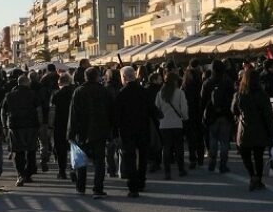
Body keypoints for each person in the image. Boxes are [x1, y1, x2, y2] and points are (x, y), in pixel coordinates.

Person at [68, 67, 112, 198]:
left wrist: (70, 133)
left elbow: (73, 114)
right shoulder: (103, 91)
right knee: (99, 161)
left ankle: (81, 187)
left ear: (85, 77)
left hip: (82, 131)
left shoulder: (79, 91)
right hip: (100, 130)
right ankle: (98, 188)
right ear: (97, 76)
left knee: (82, 159)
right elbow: (110, 111)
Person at [232, 69, 273, 191]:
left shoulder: (239, 94)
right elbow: (268, 115)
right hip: (260, 129)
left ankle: (252, 176)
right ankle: (259, 179)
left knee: (246, 156)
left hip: (244, 129)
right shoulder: (262, 95)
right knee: (258, 156)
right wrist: (271, 131)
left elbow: (234, 110)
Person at [115, 66, 152, 197]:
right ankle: (142, 181)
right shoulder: (144, 91)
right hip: (143, 128)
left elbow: (117, 116)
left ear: (123, 77)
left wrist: (115, 132)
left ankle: (133, 187)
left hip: (127, 131)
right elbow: (151, 109)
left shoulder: (121, 94)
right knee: (143, 157)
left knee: (130, 158)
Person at [2, 74, 42, 187]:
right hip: (31, 126)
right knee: (31, 150)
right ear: (26, 82)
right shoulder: (33, 94)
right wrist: (40, 124)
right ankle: (28, 174)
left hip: (15, 126)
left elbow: (3, 111)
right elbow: (38, 110)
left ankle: (20, 174)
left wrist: (4, 126)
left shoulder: (9, 95)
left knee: (17, 151)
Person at [201, 59, 235, 173]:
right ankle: (223, 164)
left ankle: (212, 162)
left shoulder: (207, 82)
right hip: (225, 115)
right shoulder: (228, 82)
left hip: (212, 115)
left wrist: (204, 113)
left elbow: (202, 100)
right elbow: (232, 98)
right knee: (224, 142)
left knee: (213, 140)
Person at [155, 72, 188, 180]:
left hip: (164, 124)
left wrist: (160, 118)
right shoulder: (180, 93)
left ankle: (167, 172)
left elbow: (157, 108)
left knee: (166, 148)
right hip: (177, 123)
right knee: (179, 147)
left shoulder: (160, 94)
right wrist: (185, 118)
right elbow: (183, 109)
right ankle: (181, 169)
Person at [49, 73, 75, 179]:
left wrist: (50, 126)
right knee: (73, 148)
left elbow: (52, 112)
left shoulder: (56, 95)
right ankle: (74, 169)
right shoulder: (75, 93)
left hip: (59, 125)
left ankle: (62, 171)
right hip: (73, 124)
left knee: (61, 149)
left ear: (59, 83)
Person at [181, 64, 205, 169]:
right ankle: (200, 157)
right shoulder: (200, 85)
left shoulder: (184, 88)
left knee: (191, 138)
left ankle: (192, 159)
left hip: (188, 115)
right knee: (199, 136)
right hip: (199, 114)